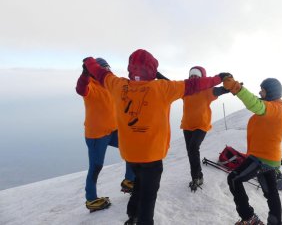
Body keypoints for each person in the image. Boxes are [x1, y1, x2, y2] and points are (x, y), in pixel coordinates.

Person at [82, 49, 230, 225]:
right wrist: (219, 77)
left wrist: (89, 62)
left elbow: (101, 73)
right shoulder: (162, 88)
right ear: (152, 68)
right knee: (149, 194)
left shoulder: (117, 85)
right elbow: (193, 86)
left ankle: (132, 214)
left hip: (131, 154)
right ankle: (142, 220)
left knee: (139, 182)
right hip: (151, 155)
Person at [223, 76, 282, 225]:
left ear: (271, 93)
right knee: (271, 193)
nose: (260, 92)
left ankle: (249, 218)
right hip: (268, 158)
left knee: (234, 179)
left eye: (263, 90)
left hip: (262, 158)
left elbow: (256, 104)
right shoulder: (275, 108)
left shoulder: (276, 108)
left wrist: (237, 88)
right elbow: (257, 102)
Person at [76, 57, 135, 212]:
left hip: (112, 130)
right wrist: (85, 75)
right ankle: (91, 199)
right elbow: (80, 89)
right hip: (96, 135)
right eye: (102, 69)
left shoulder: (110, 84)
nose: (106, 71)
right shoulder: (90, 86)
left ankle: (129, 181)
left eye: (107, 69)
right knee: (96, 167)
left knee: (131, 149)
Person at [180, 66, 230, 192]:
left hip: (201, 125)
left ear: (201, 77)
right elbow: (169, 85)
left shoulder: (207, 90)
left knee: (193, 148)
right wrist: (157, 74)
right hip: (187, 126)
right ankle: (197, 176)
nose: (193, 78)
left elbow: (220, 90)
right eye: (191, 75)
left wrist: (232, 87)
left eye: (196, 76)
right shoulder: (185, 90)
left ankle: (196, 177)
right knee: (191, 152)